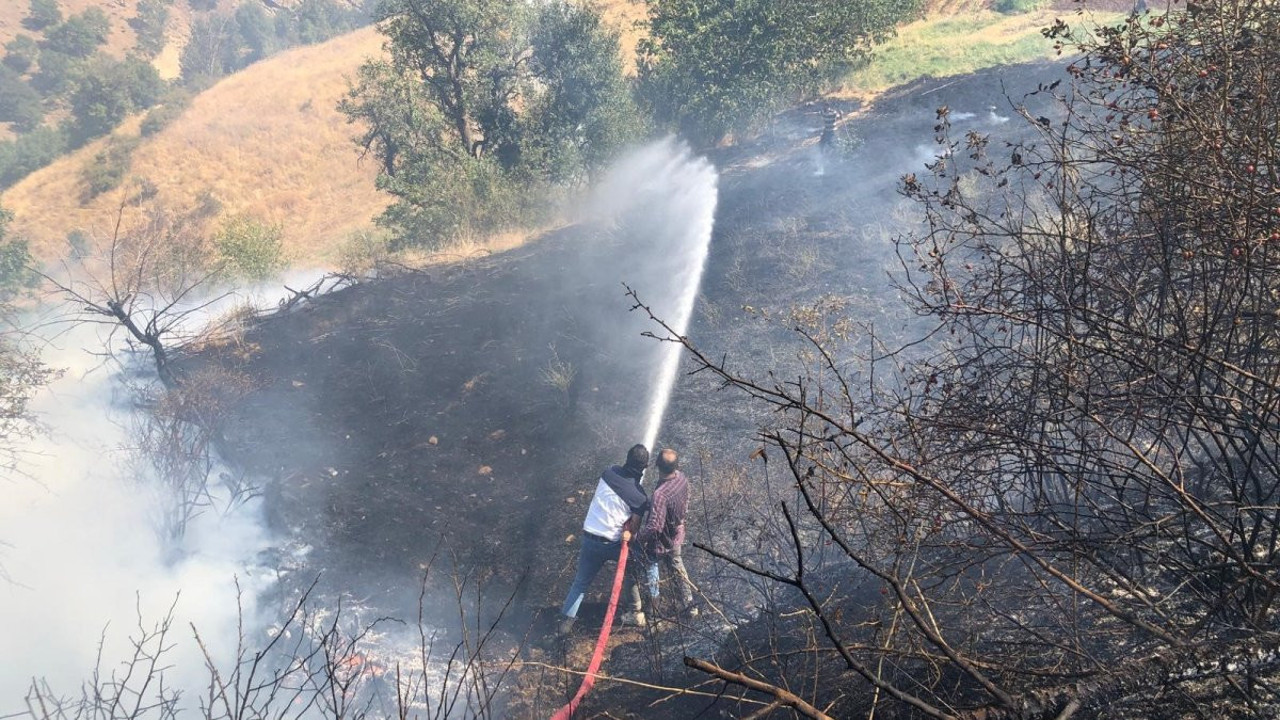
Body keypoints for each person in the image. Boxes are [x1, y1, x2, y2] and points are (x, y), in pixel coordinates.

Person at [558, 444, 651, 634]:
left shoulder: (608, 472)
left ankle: (564, 626)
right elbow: (632, 531)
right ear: (644, 467)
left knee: (580, 584)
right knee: (633, 568)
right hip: (613, 544)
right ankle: (636, 610)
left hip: (589, 539)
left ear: (627, 459)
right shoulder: (639, 497)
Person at [634, 448, 697, 616]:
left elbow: (654, 526)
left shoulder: (660, 495)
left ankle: (654, 606)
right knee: (677, 564)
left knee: (651, 564)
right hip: (677, 533)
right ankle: (690, 604)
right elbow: (686, 499)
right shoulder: (682, 478)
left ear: (658, 467)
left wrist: (638, 538)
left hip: (660, 541)